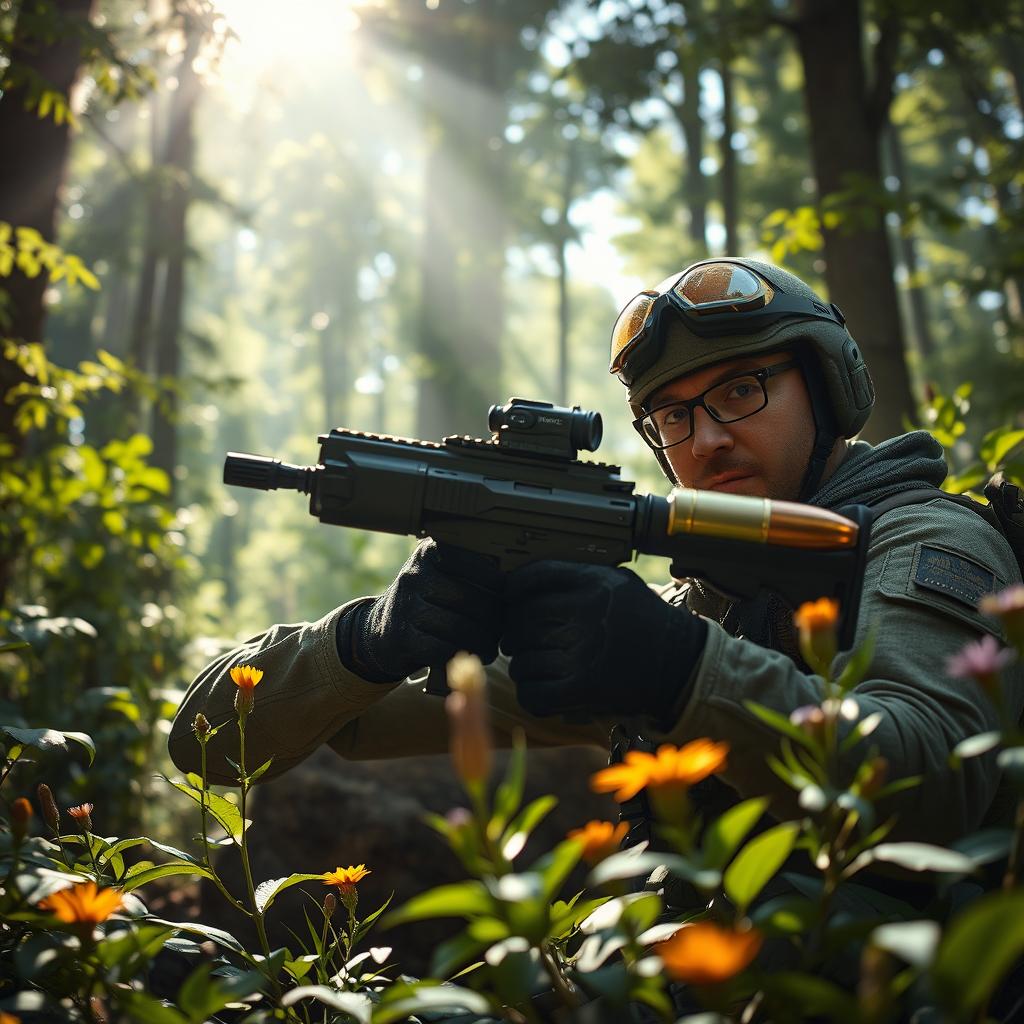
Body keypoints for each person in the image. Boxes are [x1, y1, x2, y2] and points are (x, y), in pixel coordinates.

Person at [169, 257, 1022, 893]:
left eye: (743, 391)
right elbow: (210, 744)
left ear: (828, 386)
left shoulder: (925, 538)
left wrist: (682, 670)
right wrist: (364, 643)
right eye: (673, 415)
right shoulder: (679, 607)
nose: (707, 439)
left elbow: (931, 780)